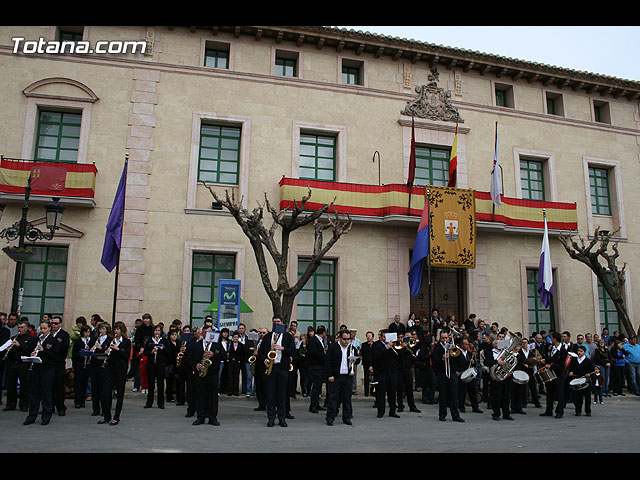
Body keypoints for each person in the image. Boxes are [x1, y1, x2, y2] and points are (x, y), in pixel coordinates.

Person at [257, 317, 295, 427]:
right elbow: (261, 352)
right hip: (271, 368)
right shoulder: (268, 337)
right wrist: (264, 359)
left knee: (282, 394)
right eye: (274, 322)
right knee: (271, 394)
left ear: (282, 323)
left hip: (282, 367)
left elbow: (292, 351)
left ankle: (282, 418)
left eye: (278, 322)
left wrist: (282, 348)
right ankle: (271, 418)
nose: (276, 323)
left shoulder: (288, 337)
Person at [24, 321, 60, 425]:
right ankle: (31, 416)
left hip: (47, 369)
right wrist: (32, 354)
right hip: (36, 369)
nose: (42, 331)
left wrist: (43, 350)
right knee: (34, 393)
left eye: (44, 328)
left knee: (46, 393)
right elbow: (28, 349)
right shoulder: (36, 339)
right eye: (41, 328)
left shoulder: (53, 341)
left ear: (49, 329)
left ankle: (46, 416)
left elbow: (55, 356)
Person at [189, 325, 227, 426]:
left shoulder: (217, 344)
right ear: (202, 334)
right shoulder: (197, 345)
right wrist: (195, 364)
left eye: (210, 332)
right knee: (200, 395)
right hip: (200, 374)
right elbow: (190, 358)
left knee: (213, 396)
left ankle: (212, 417)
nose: (208, 334)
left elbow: (224, 355)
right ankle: (200, 417)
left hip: (212, 374)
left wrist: (214, 354)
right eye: (205, 332)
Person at [325, 329, 359, 425]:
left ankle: (347, 417)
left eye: (348, 339)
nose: (346, 341)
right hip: (336, 376)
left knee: (347, 398)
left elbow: (358, 359)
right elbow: (328, 362)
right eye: (344, 339)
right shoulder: (333, 347)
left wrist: (355, 361)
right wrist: (330, 375)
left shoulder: (352, 348)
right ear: (339, 338)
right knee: (333, 398)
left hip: (347, 376)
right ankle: (330, 417)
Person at [99, 322, 131, 425]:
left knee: (120, 393)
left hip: (121, 370)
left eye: (118, 329)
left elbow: (127, 355)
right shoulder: (110, 340)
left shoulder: (126, 342)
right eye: (115, 329)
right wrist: (105, 351)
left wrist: (117, 349)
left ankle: (116, 416)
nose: (116, 331)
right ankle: (106, 415)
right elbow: (103, 349)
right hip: (110, 368)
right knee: (105, 392)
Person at [3, 320, 37, 412]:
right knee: (11, 385)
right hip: (13, 364)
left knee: (24, 385)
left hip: (23, 364)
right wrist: (8, 349)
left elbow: (29, 351)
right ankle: (11, 404)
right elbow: (9, 352)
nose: (20, 329)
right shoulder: (14, 337)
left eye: (22, 327)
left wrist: (19, 345)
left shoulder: (31, 338)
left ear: (26, 328)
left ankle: (24, 404)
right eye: (18, 327)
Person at [431, 331, 464, 422]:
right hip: (442, 373)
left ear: (449, 338)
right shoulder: (437, 348)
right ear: (440, 339)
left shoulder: (452, 346)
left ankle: (455, 415)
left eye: (446, 338)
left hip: (452, 372)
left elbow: (460, 359)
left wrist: (455, 353)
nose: (445, 340)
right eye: (443, 338)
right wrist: (442, 358)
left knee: (454, 395)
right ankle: (442, 414)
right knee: (443, 395)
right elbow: (434, 361)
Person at [371, 330, 399, 418]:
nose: (386, 339)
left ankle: (392, 411)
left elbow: (398, 356)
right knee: (381, 393)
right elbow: (376, 357)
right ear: (381, 337)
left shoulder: (393, 345)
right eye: (384, 337)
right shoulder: (376, 345)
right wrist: (386, 349)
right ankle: (381, 411)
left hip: (392, 372)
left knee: (392, 392)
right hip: (381, 372)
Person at [484, 338, 515, 421]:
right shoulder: (490, 352)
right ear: (493, 345)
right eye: (497, 344)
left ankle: (506, 414)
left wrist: (509, 371)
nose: (499, 345)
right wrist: (496, 362)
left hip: (506, 377)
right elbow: (486, 362)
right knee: (496, 397)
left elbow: (511, 363)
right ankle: (496, 413)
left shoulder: (506, 353)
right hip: (495, 378)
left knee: (506, 396)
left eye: (500, 344)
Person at [87, 322, 112, 417]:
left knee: (103, 389)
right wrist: (92, 348)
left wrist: (100, 348)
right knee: (95, 388)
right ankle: (95, 409)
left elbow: (108, 352)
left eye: (103, 329)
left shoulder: (110, 340)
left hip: (103, 366)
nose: (101, 331)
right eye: (100, 329)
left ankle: (104, 409)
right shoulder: (94, 339)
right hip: (94, 365)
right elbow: (89, 348)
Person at [540, 331, 566, 419]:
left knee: (559, 393)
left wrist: (551, 365)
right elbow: (551, 359)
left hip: (558, 374)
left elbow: (562, 364)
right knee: (549, 392)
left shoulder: (563, 350)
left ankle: (559, 411)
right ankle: (549, 410)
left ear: (555, 339)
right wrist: (545, 361)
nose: (550, 340)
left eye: (551, 338)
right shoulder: (551, 348)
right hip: (550, 373)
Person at [454, 338, 482, 414]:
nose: (467, 345)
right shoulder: (457, 353)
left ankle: (475, 407)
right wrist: (456, 371)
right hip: (461, 374)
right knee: (461, 392)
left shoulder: (469, 354)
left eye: (467, 344)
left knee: (473, 391)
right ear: (462, 345)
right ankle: (461, 407)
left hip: (469, 375)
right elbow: (454, 363)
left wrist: (473, 363)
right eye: (466, 344)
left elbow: (474, 365)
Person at [144, 325, 169, 408]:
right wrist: (151, 351)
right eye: (156, 330)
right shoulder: (150, 340)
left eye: (159, 331)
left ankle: (161, 403)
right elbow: (145, 352)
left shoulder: (164, 341)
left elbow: (168, 352)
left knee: (160, 384)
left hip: (160, 364)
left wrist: (162, 348)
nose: (157, 332)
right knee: (151, 384)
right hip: (151, 364)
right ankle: (149, 402)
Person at [49, 315, 70, 417]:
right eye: (52, 323)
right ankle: (49, 407)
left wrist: (53, 345)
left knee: (59, 386)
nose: (54, 325)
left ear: (60, 324)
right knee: (49, 386)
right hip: (49, 363)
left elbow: (63, 348)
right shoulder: (48, 334)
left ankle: (61, 407)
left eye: (56, 323)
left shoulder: (64, 335)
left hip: (59, 363)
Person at [396, 333, 421, 413]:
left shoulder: (410, 346)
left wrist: (406, 347)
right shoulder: (397, 346)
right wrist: (402, 347)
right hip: (399, 369)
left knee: (409, 389)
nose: (400, 339)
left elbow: (413, 355)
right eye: (399, 337)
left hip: (408, 369)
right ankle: (400, 406)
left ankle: (412, 406)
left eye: (402, 337)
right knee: (399, 389)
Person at [568, 345, 595, 416]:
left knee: (587, 397)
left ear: (585, 352)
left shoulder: (588, 361)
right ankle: (578, 410)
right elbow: (571, 368)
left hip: (585, 381)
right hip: (577, 380)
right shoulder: (574, 360)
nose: (579, 353)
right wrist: (571, 372)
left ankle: (588, 411)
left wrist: (589, 374)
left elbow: (592, 370)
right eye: (578, 351)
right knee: (577, 397)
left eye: (581, 351)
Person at [308, 324, 327, 413]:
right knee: (316, 387)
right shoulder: (313, 341)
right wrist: (324, 355)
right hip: (316, 367)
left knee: (318, 387)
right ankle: (313, 406)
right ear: (323, 333)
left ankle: (316, 404)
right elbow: (313, 353)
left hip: (320, 367)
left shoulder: (320, 340)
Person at [70, 325, 92, 409]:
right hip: (79, 364)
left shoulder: (91, 341)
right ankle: (77, 400)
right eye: (86, 332)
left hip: (87, 365)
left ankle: (82, 400)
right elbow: (74, 353)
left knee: (85, 382)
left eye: (88, 332)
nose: (87, 334)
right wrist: (81, 353)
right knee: (78, 383)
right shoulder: (78, 341)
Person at [227, 330, 245, 396]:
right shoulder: (229, 344)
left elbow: (242, 353)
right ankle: (230, 391)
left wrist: (240, 360)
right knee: (230, 376)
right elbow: (228, 352)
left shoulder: (241, 345)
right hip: (231, 361)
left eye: (237, 337)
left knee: (236, 376)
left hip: (237, 362)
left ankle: (236, 391)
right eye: (234, 337)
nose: (235, 338)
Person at [360, 331, 375, 397]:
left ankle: (373, 391)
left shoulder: (375, 345)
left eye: (370, 336)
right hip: (366, 363)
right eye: (367, 336)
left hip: (374, 364)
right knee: (366, 378)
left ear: (372, 337)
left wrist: (372, 365)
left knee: (373, 378)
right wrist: (369, 365)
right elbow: (364, 354)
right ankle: (366, 392)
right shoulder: (364, 345)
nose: (368, 337)